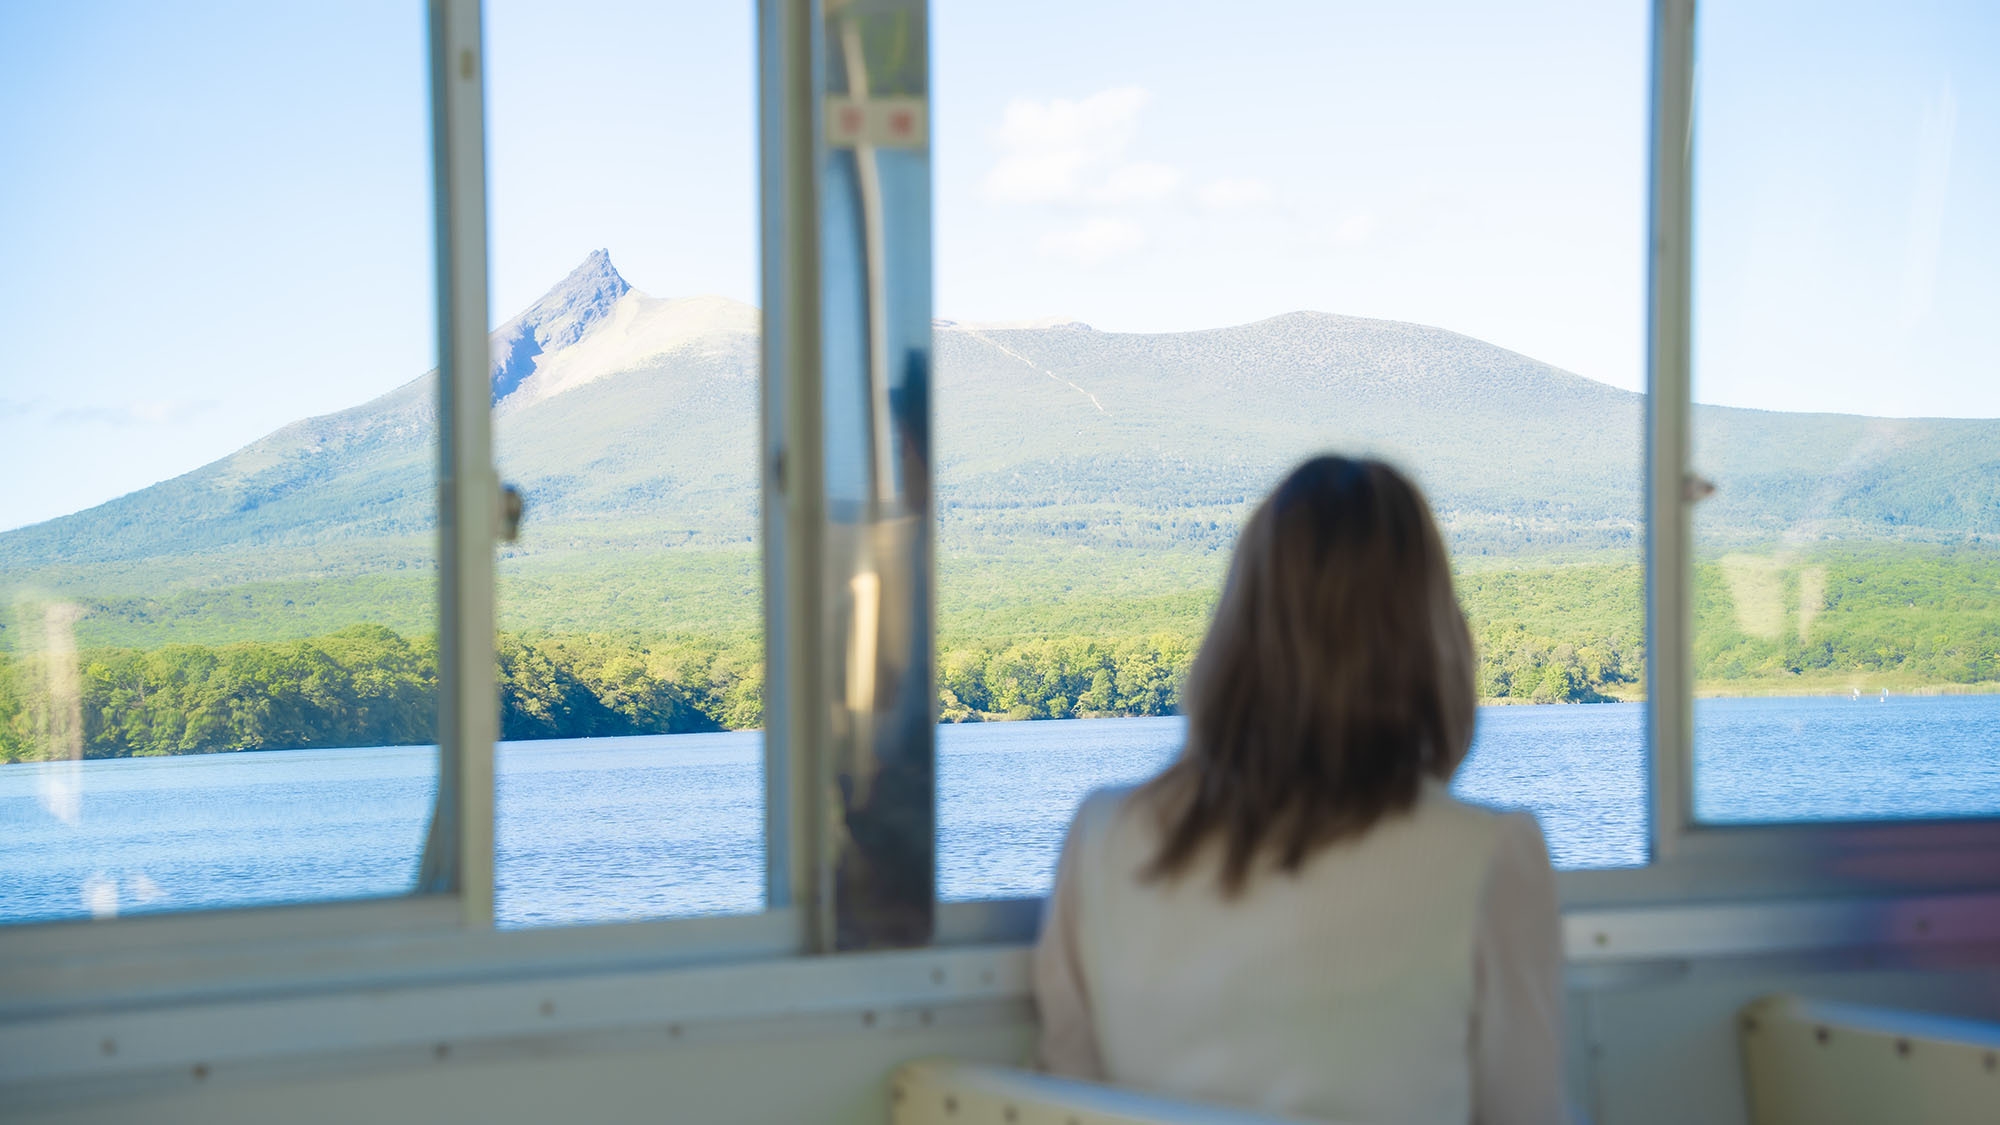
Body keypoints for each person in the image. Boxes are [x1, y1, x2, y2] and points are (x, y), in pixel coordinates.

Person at [1032, 455, 1567, 1124]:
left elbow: (1071, 1086)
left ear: (1236, 625)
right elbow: (1524, 1110)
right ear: (1431, 633)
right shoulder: (1491, 850)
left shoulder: (1102, 834)